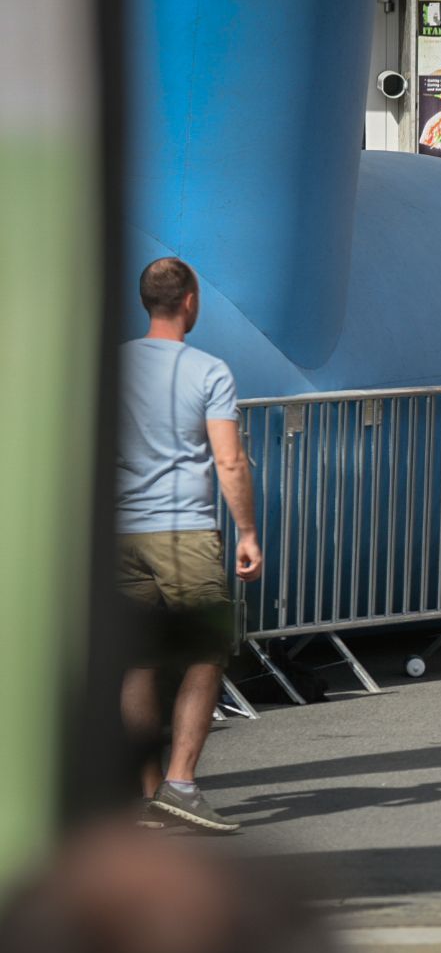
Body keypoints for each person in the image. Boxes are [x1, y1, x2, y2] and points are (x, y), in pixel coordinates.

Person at [118, 258, 262, 833]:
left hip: (120, 531)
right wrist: (247, 531)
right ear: (191, 303)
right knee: (206, 652)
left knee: (139, 661)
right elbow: (228, 459)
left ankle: (149, 791)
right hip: (184, 531)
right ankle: (180, 783)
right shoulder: (208, 370)